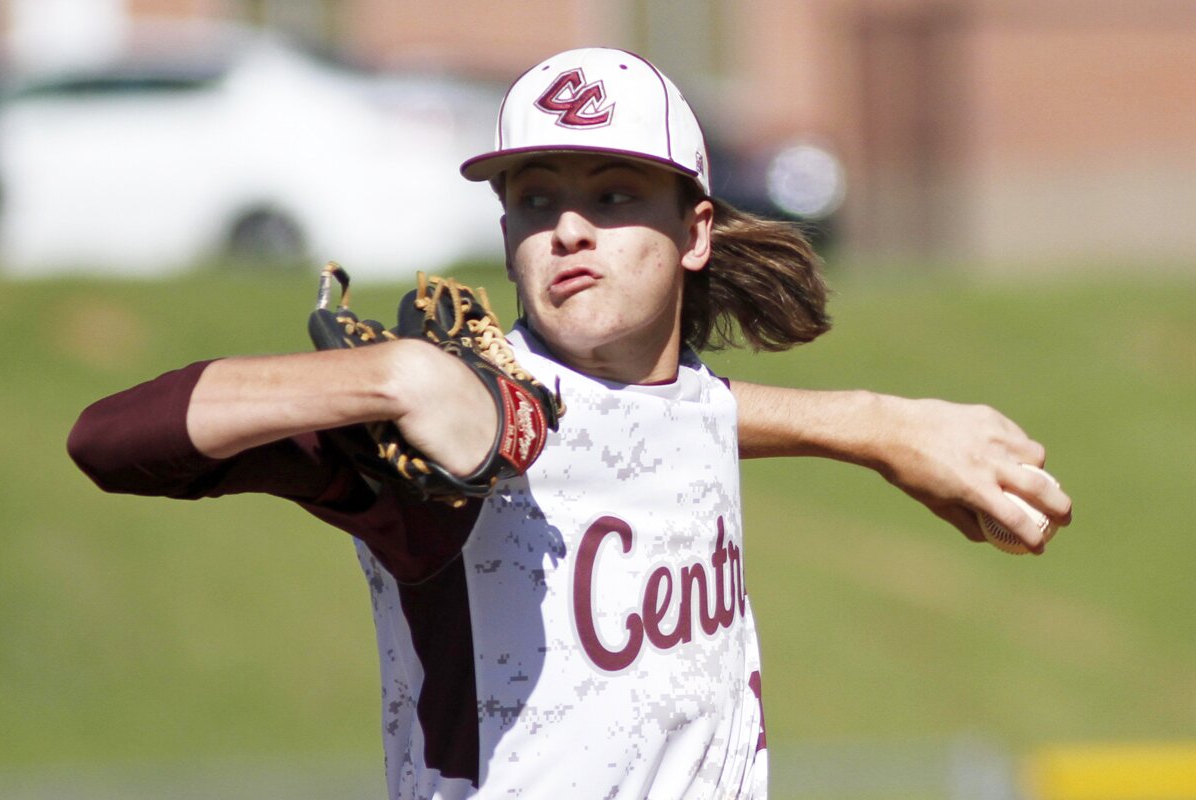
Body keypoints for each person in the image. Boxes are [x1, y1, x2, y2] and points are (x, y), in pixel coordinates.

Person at [68, 48, 1070, 799]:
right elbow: (111, 437)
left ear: (696, 229)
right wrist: (387, 375)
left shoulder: (686, 409)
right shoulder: (437, 447)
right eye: (536, 197)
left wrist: (877, 424)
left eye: (614, 191)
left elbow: (664, 420)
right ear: (507, 233)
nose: (570, 226)